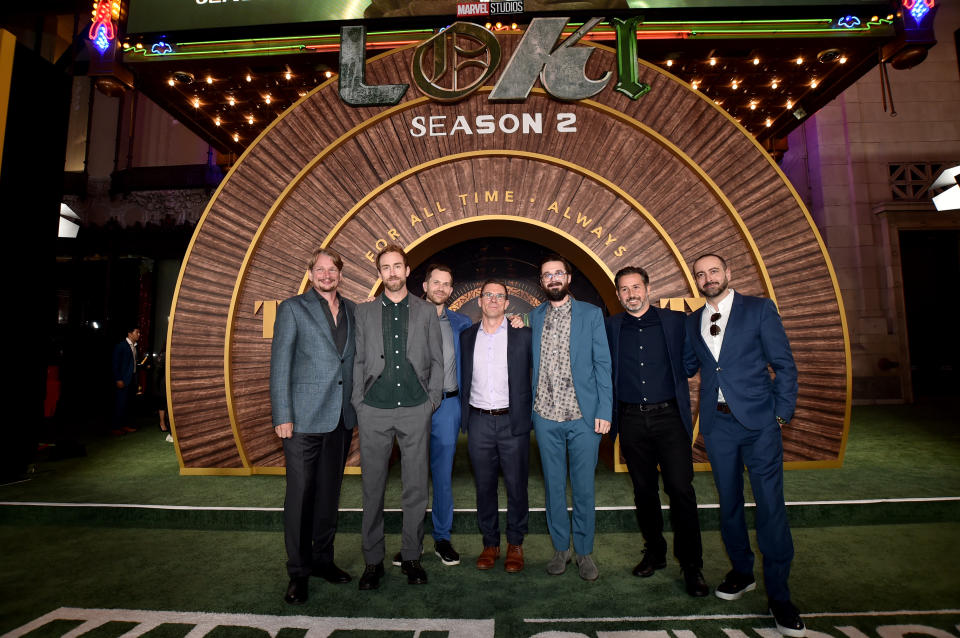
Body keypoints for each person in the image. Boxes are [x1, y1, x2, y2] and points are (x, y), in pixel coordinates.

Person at [684, 253, 803, 637]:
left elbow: (784, 365)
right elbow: (687, 364)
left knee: (770, 505)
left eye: (713, 271)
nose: (708, 278)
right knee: (729, 503)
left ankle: (780, 596)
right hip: (718, 427)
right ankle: (741, 572)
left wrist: (781, 414)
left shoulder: (759, 309)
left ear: (728, 273)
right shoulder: (691, 322)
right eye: (701, 275)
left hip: (759, 425)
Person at [605, 266, 708, 597]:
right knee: (643, 491)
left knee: (681, 490)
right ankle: (655, 552)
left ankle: (691, 565)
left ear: (648, 288)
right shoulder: (611, 327)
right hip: (631, 420)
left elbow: (691, 363)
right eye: (624, 289)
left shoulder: (676, 322)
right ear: (618, 295)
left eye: (636, 287)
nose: (631, 293)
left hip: (669, 418)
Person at [352, 244, 443, 590]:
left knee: (416, 488)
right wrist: (359, 403)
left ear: (407, 271)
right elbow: (358, 361)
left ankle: (412, 556)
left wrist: (431, 400)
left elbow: (437, 360)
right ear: (380, 274)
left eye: (397, 266)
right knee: (372, 488)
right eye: (385, 267)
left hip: (415, 408)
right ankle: (373, 562)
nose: (391, 272)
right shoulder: (363, 313)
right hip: (373, 409)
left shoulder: (425, 312)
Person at [270, 248, 357, 605]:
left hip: (340, 419)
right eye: (319, 270)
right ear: (310, 273)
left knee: (328, 496)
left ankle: (323, 560)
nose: (326, 275)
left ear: (340, 273)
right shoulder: (292, 308)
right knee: (300, 497)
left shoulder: (352, 310)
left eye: (331, 269)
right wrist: (282, 415)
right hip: (302, 421)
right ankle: (298, 572)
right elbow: (280, 366)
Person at [530, 254, 612, 581]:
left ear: (568, 278)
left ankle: (584, 552)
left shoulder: (591, 314)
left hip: (583, 416)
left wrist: (604, 410)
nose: (553, 279)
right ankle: (560, 548)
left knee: (583, 489)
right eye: (547, 274)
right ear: (541, 282)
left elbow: (603, 365)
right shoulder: (534, 316)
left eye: (558, 273)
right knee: (552, 487)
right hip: (545, 416)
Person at [393, 263, 471, 568]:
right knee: (413, 478)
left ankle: (442, 538)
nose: (440, 288)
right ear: (424, 286)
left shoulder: (462, 323)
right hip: (412, 408)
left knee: (442, 477)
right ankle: (411, 543)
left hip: (448, 407)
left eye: (446, 284)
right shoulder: (405, 318)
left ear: (451, 290)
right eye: (435, 282)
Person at [460, 279, 533, 572]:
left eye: (499, 296)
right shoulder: (466, 337)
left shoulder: (523, 335)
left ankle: (515, 543)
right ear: (479, 301)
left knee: (517, 486)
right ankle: (490, 543)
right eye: (487, 295)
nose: (493, 300)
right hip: (478, 421)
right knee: (484, 486)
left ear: (506, 303)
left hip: (512, 421)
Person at [111, 326, 140, 435]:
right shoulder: (121, 346)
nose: (139, 335)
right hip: (123, 380)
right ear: (130, 333)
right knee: (120, 403)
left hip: (132, 379)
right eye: (137, 332)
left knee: (128, 404)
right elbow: (115, 364)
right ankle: (115, 427)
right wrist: (118, 379)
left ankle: (125, 425)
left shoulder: (135, 346)